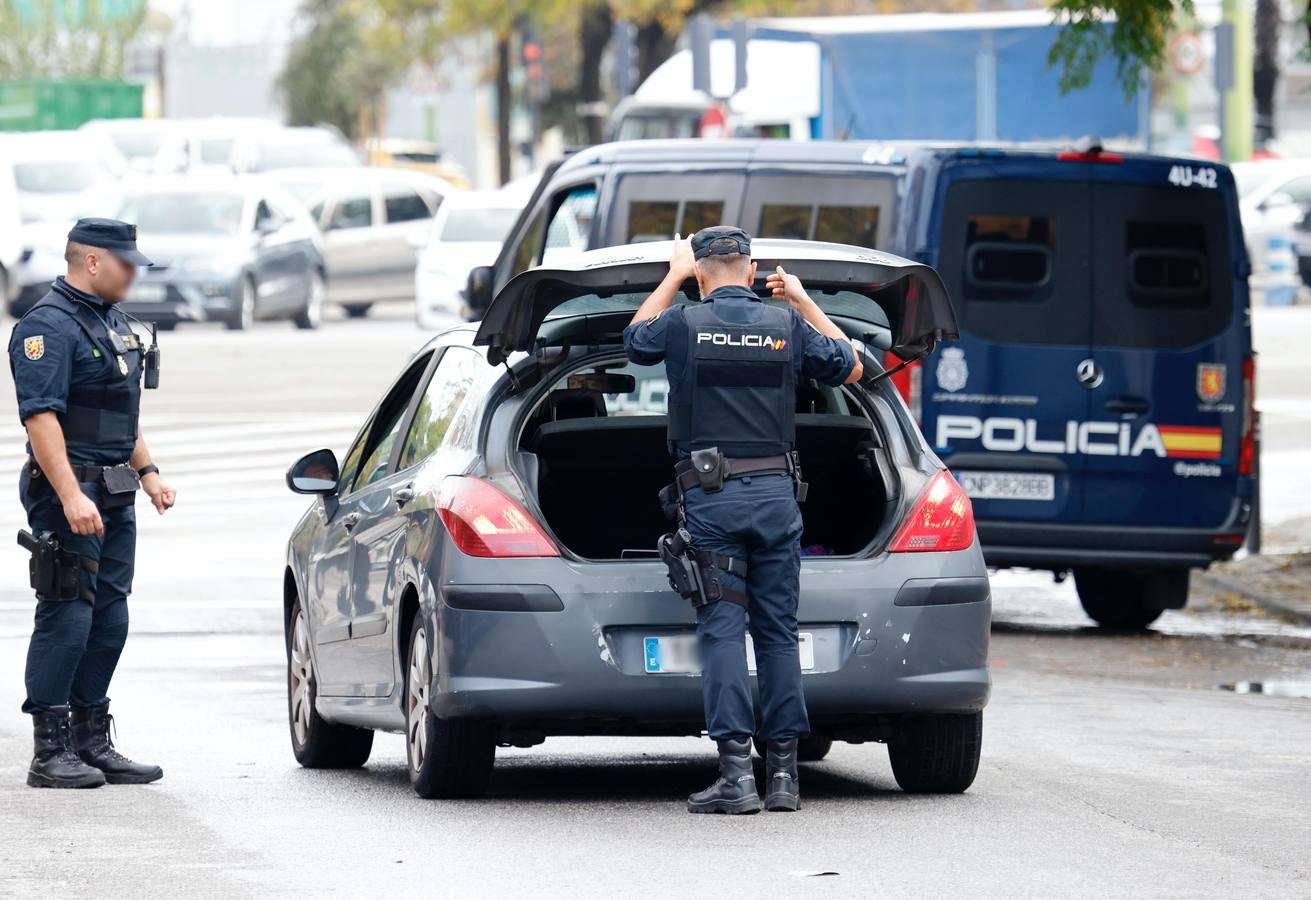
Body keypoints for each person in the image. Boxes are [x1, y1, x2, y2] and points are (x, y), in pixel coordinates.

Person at [624, 226, 863, 814]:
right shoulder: (786, 327)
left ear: (702, 275)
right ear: (753, 272)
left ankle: (736, 779)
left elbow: (634, 341)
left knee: (724, 631)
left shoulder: (682, 323)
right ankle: (783, 778)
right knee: (778, 633)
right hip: (779, 499)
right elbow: (853, 368)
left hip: (712, 501)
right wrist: (804, 300)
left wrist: (673, 275)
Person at [9, 218, 176, 789]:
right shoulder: (46, 329)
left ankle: (91, 740)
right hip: (68, 495)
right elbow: (41, 418)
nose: (135, 272)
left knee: (109, 615)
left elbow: (118, 415)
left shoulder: (112, 323)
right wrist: (70, 494)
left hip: (115, 492)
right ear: (93, 261)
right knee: (68, 611)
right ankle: (49, 750)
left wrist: (148, 472)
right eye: (127, 262)